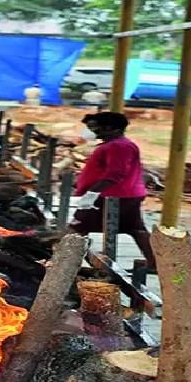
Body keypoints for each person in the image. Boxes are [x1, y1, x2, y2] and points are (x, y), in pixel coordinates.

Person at [69, 111, 153, 267]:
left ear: (110, 128)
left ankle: (65, 262)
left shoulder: (118, 147)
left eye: (93, 127)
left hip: (113, 196)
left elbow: (115, 173)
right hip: (121, 195)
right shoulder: (114, 145)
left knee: (78, 227)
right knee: (135, 229)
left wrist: (91, 193)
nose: (89, 131)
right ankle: (155, 263)